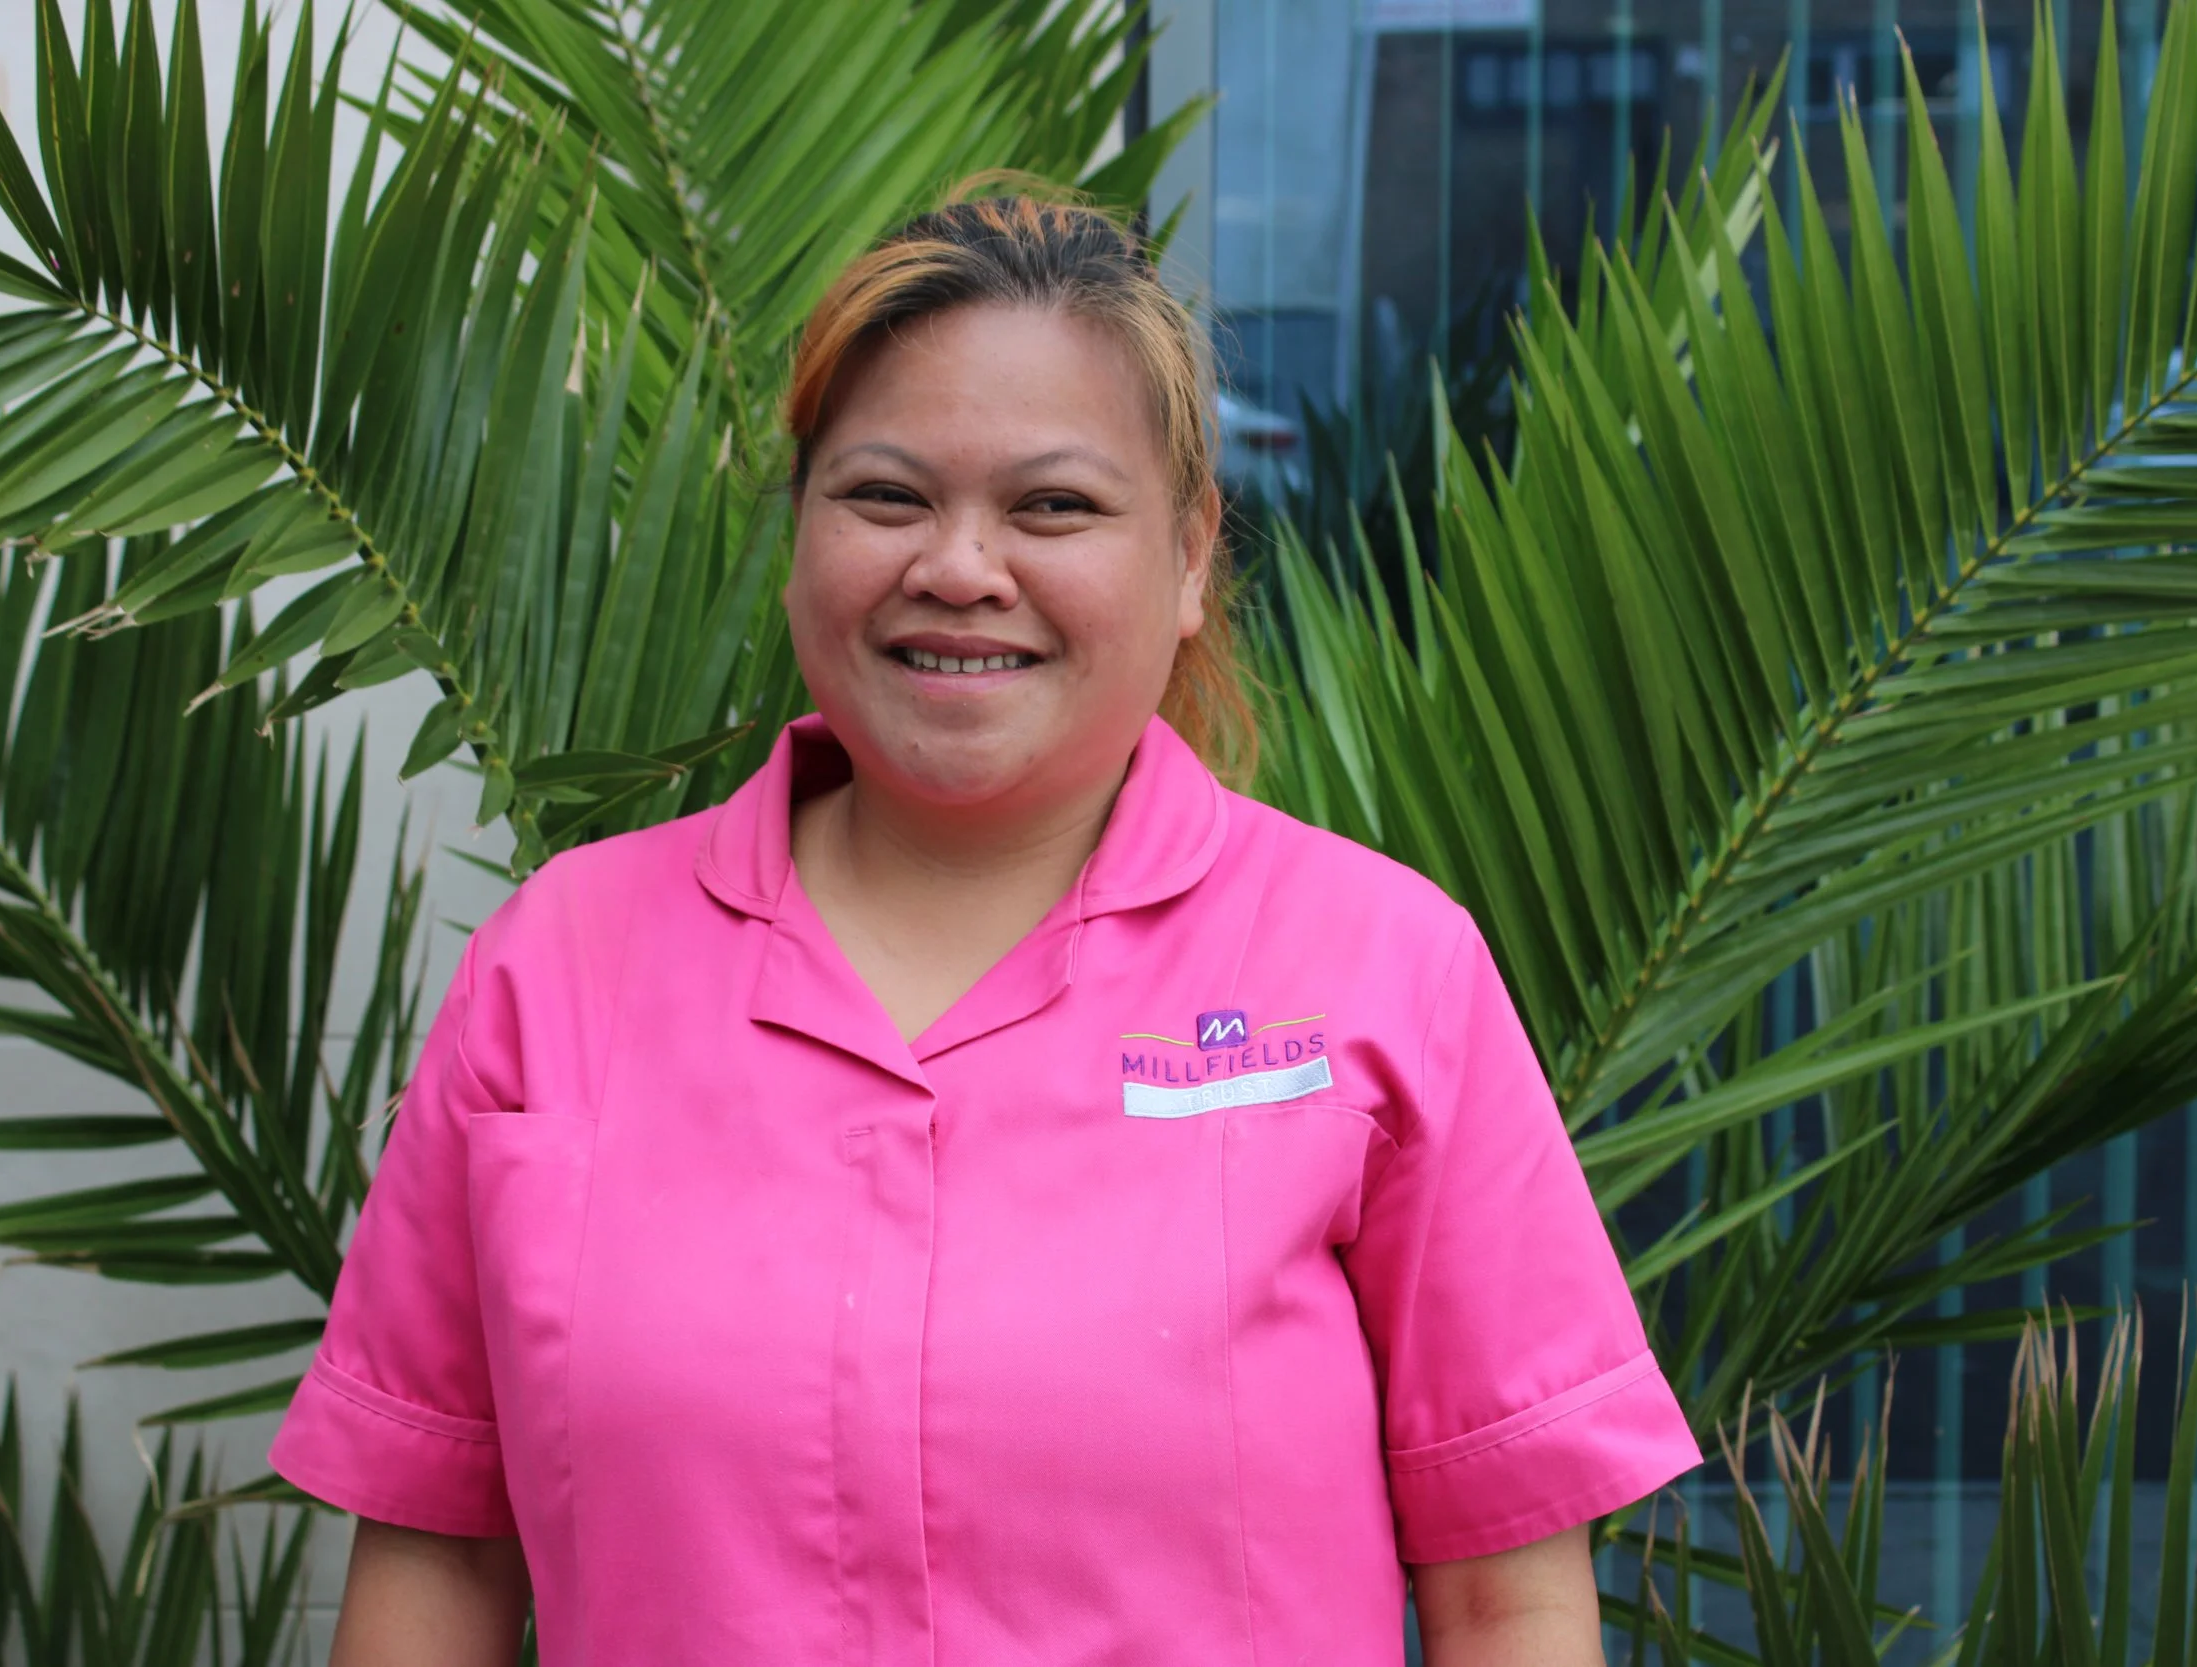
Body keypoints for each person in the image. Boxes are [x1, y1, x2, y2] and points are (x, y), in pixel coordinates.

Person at [271, 188, 1701, 1667]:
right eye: (886, 495)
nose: (959, 566)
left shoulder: (1383, 972)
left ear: (1195, 554)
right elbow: (432, 1572)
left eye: (1053, 506)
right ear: (802, 529)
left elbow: (1508, 1600)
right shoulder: (558, 972)